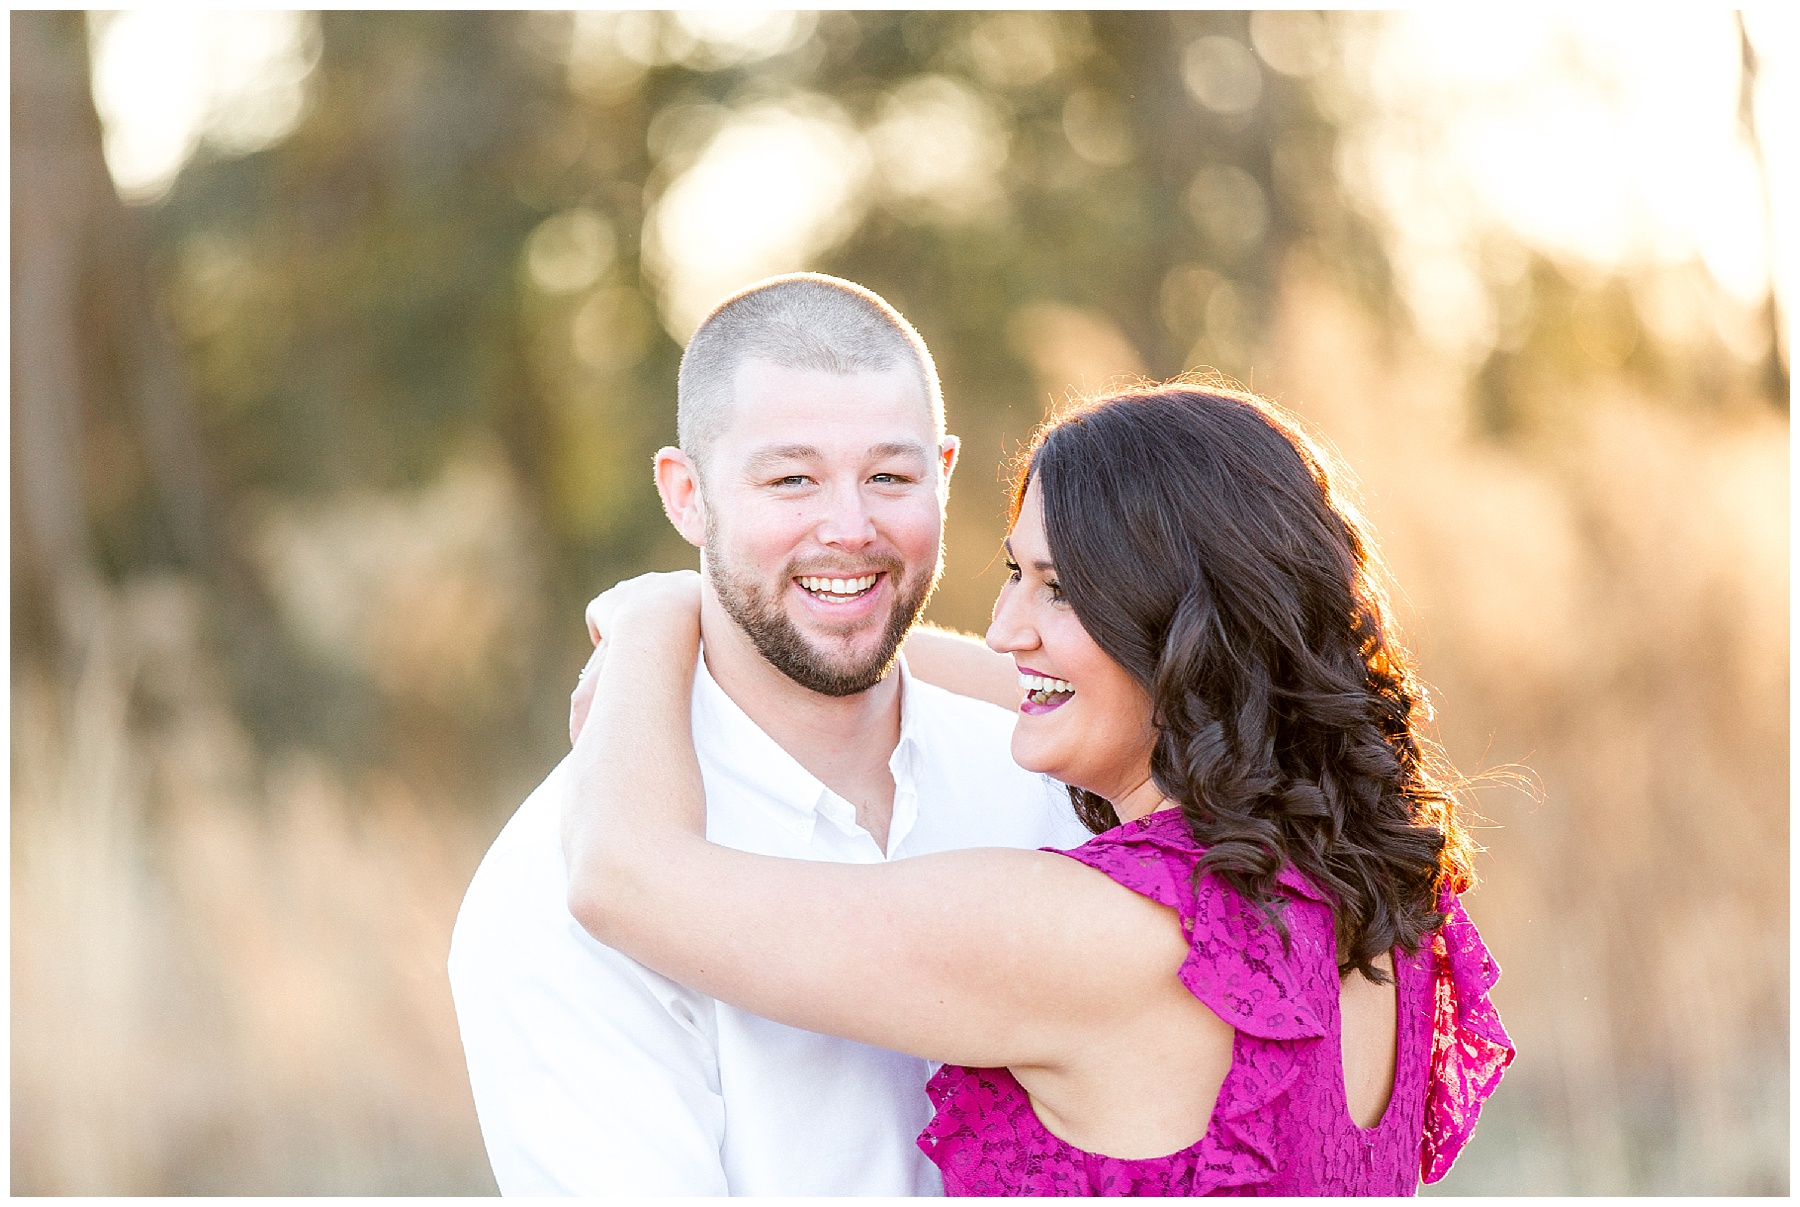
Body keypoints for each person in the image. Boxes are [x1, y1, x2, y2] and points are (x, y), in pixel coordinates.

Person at [563, 383, 1515, 1195]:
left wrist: (653, 615)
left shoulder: (1094, 933)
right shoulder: (1379, 895)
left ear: (1182, 625)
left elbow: (623, 879)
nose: (1008, 626)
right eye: (1014, 573)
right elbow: (1028, 677)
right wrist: (747, 614)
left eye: (1057, 589)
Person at [447, 273, 1088, 1195]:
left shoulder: (1053, 775)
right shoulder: (552, 896)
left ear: (943, 477)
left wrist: (661, 615)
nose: (850, 528)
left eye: (890, 476)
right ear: (687, 496)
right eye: (792, 478)